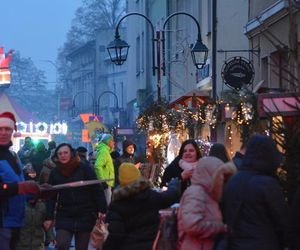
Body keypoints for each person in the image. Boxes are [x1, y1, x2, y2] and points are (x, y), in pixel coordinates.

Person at [222, 135, 288, 250]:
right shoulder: (267, 184)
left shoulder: (233, 181)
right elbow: (282, 220)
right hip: (264, 244)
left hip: (236, 244)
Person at [43, 143, 107, 250]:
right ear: (56, 156)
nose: (63, 155)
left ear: (71, 153)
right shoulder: (55, 172)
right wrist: (49, 217)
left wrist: (102, 209)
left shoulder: (85, 168)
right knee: (62, 244)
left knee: (81, 247)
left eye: (65, 153)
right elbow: (51, 196)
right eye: (60, 154)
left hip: (85, 214)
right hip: (64, 215)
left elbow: (97, 189)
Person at [103, 163, 180, 250]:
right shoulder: (150, 196)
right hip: (151, 246)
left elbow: (115, 234)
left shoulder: (117, 205)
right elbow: (170, 196)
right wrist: (174, 184)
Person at [0, 112, 41, 250]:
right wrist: (19, 188)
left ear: (13, 131)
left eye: (8, 129)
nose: (4, 133)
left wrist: (38, 191)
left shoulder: (13, 156)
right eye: (0, 129)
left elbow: (19, 185)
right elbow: (13, 187)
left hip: (15, 220)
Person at [177, 157, 235, 250]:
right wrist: (222, 228)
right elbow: (192, 225)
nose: (222, 180)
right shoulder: (196, 193)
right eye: (221, 176)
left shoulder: (209, 194)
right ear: (211, 174)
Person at [94, 133, 115, 205]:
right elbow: (97, 166)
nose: (113, 142)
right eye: (112, 140)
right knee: (106, 206)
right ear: (107, 141)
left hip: (107, 183)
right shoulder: (104, 152)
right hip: (106, 184)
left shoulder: (104, 151)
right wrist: (103, 181)